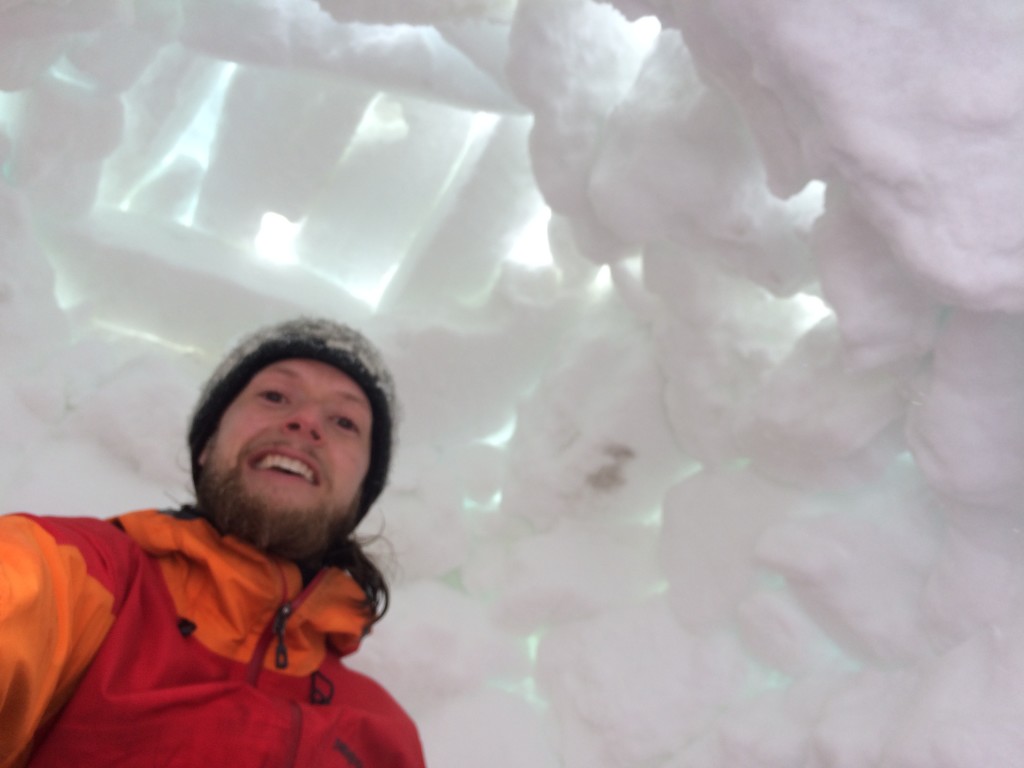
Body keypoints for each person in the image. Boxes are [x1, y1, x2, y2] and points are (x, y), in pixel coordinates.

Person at [0, 317, 427, 767]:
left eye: (344, 421)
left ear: (361, 491)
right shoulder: (86, 578)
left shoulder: (385, 737)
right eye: (275, 396)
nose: (304, 422)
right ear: (208, 445)